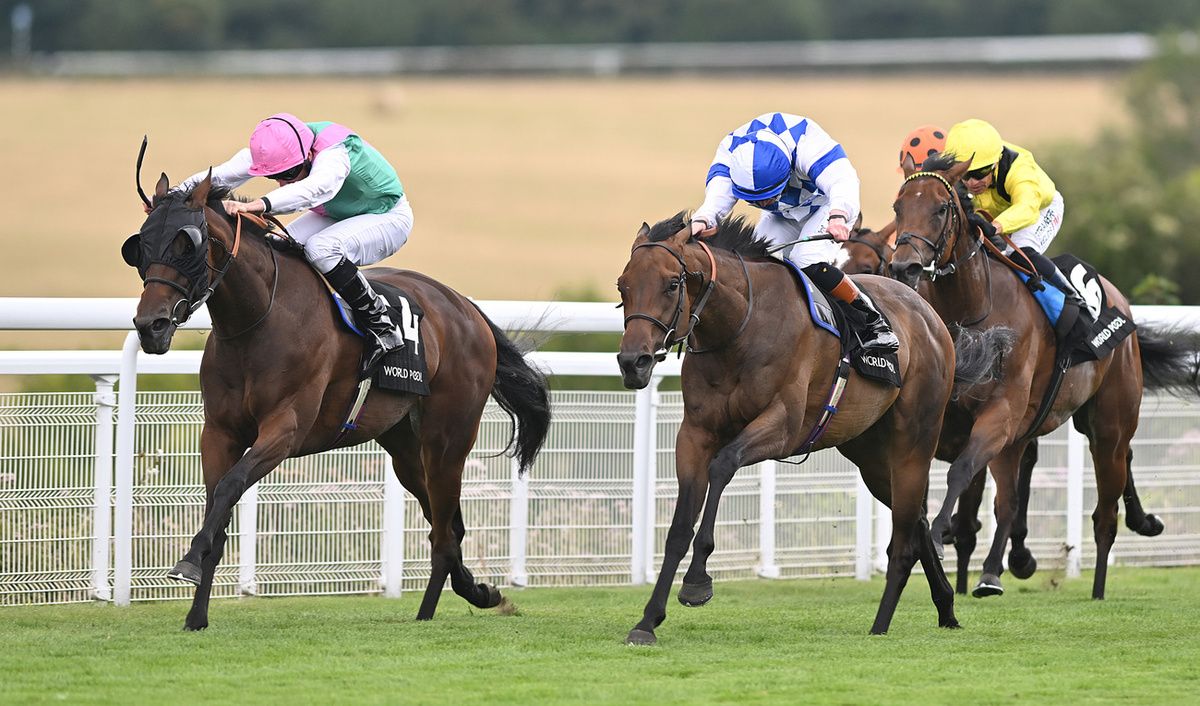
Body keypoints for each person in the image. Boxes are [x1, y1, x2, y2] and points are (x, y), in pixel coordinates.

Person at [172, 112, 413, 370]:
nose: (283, 182)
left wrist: (260, 205)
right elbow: (220, 176)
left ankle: (381, 325)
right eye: (275, 176)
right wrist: (171, 198)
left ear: (308, 156)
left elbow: (316, 189)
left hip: (386, 216)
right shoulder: (277, 147)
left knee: (321, 249)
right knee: (276, 246)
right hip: (338, 214)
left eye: (290, 172)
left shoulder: (335, 152)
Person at [690, 112, 898, 351]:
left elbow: (843, 180)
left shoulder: (806, 142)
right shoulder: (731, 153)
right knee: (760, 263)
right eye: (756, 201)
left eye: (768, 196)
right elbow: (716, 199)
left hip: (826, 204)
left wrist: (839, 215)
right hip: (784, 212)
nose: (763, 204)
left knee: (806, 259)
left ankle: (872, 322)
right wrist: (702, 220)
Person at [941, 118, 1078, 302]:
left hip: (1041, 209)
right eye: (965, 174)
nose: (972, 183)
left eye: (980, 173)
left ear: (995, 163)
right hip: (1000, 216)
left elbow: (1027, 208)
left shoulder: (1019, 169)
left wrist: (995, 227)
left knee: (1020, 250)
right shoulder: (961, 171)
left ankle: (1072, 296)